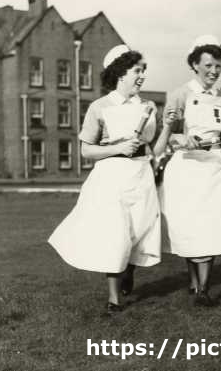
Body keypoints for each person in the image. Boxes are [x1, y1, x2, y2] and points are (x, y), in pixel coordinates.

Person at [48, 44, 161, 314]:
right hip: (112, 177)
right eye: (137, 71)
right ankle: (114, 299)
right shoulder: (99, 107)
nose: (142, 76)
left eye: (143, 70)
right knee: (116, 234)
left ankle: (128, 269)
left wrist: (168, 132)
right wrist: (118, 148)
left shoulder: (148, 106)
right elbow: (86, 150)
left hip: (142, 175)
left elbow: (153, 145)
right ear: (120, 73)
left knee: (140, 230)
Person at [153, 35, 221, 307]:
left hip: (215, 165)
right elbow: (167, 135)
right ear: (195, 65)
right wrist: (181, 138)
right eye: (208, 65)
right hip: (187, 167)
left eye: (218, 66)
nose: (214, 71)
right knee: (190, 225)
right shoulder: (179, 94)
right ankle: (195, 283)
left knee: (211, 224)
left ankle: (203, 288)